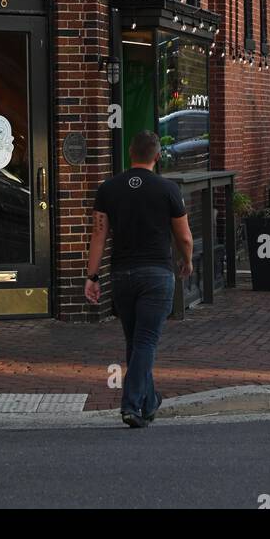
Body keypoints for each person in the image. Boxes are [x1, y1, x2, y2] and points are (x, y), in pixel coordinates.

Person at [85, 130, 193, 429]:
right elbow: (183, 236)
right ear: (157, 156)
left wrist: (92, 276)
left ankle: (149, 400)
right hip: (157, 274)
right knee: (145, 341)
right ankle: (132, 405)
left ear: (130, 153)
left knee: (135, 341)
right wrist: (187, 260)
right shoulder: (168, 189)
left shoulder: (108, 189)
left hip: (122, 274)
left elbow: (98, 235)